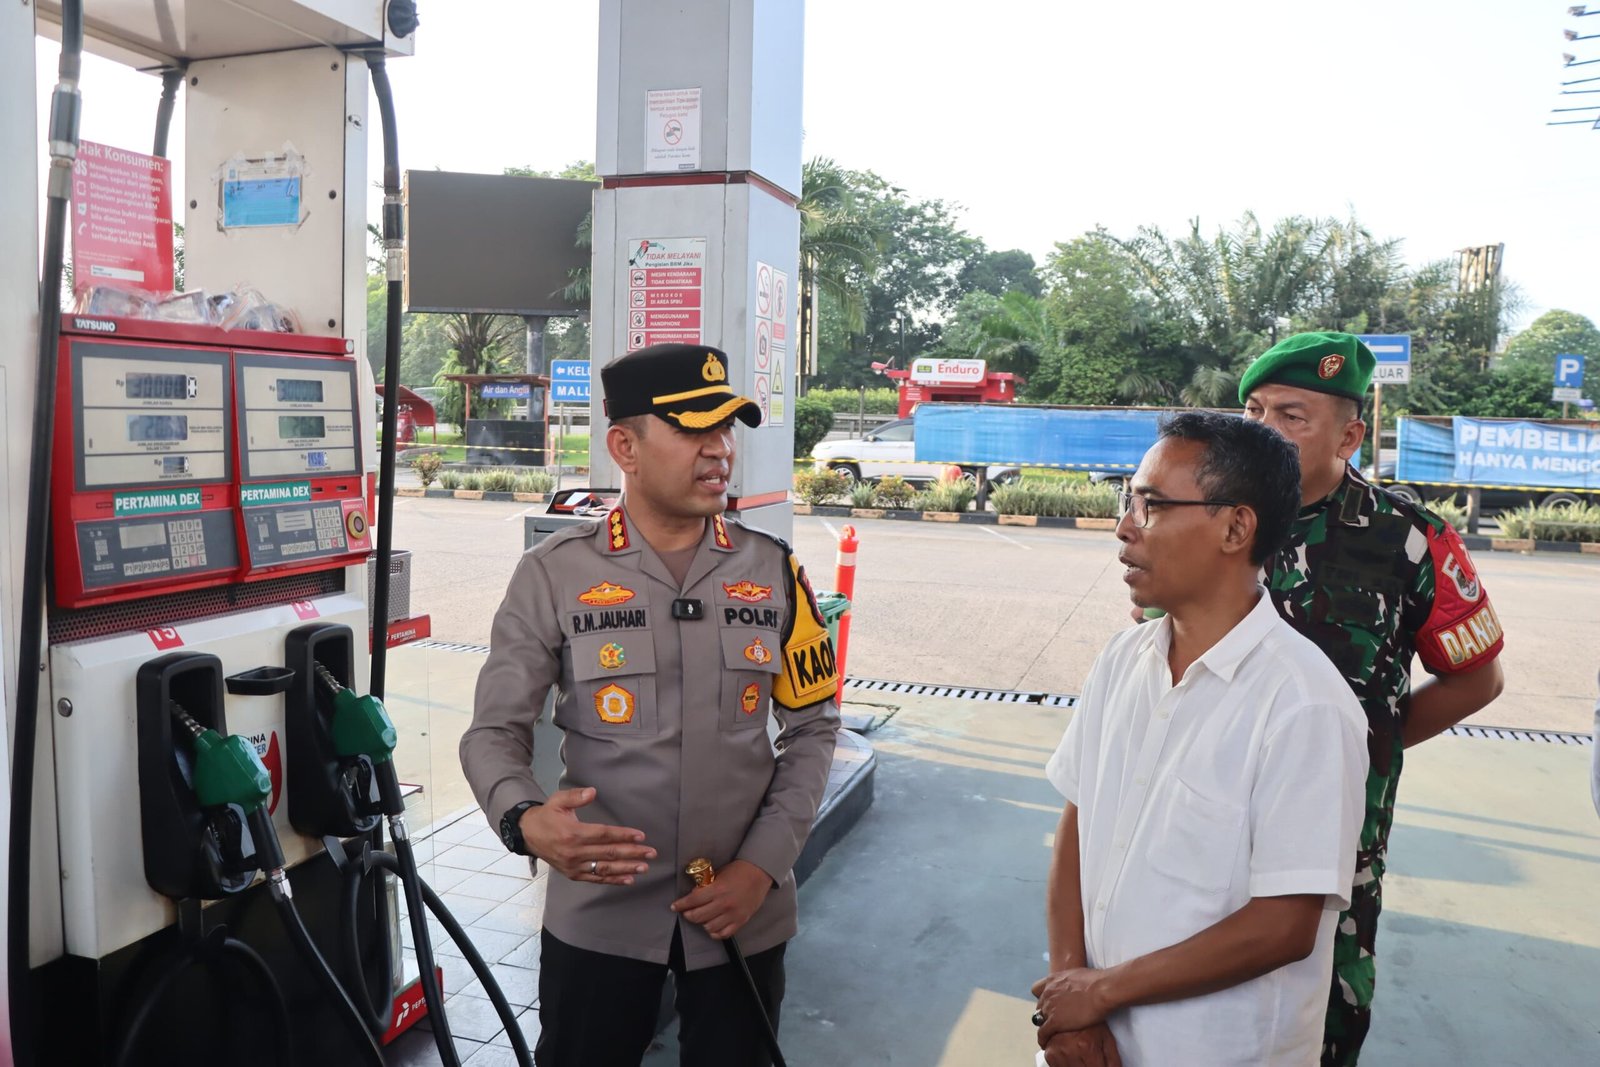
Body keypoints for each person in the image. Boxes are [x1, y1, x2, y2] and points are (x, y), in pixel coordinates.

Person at [459, 343, 841, 1067]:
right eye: (694, 429)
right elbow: (492, 732)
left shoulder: (775, 570)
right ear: (624, 446)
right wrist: (525, 819)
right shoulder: (555, 574)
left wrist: (759, 868)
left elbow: (815, 728)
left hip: (742, 911)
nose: (719, 449)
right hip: (600, 915)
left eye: (726, 429)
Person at [1034, 412, 1369, 1066]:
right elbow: (1078, 825)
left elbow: (1282, 926)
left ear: (1236, 527)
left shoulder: (1303, 705)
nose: (1125, 528)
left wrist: (1101, 991)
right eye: (1128, 502)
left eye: (1152, 506)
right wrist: (1070, 999)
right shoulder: (1122, 659)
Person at [1239, 332, 1506, 1065]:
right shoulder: (1213, 518)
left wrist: (1369, 744)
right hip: (1211, 811)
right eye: (1255, 409)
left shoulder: (1409, 538)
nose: (1264, 429)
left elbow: (1476, 677)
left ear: (1350, 434)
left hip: (1337, 836)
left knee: (1323, 1013)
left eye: (1292, 414)